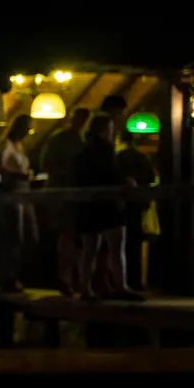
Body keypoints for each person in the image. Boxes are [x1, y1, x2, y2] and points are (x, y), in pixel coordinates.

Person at [75, 114, 141, 301]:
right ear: (104, 130)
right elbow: (112, 174)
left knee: (90, 249)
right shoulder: (106, 150)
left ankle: (85, 288)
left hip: (88, 205)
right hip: (108, 204)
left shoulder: (83, 152)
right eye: (110, 128)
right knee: (117, 245)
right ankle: (121, 286)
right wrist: (126, 183)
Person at [39, 107, 91, 295]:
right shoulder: (61, 140)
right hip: (63, 195)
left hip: (79, 196)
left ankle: (74, 279)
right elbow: (47, 164)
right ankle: (65, 279)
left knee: (77, 239)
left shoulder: (84, 141)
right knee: (68, 236)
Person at [0, 114, 37, 292]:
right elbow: (0, 166)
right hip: (13, 190)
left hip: (25, 190)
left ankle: (20, 274)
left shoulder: (21, 146)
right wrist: (16, 175)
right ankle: (8, 276)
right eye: (26, 128)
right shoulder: (7, 144)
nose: (28, 132)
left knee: (30, 233)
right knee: (15, 234)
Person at [116, 133, 157, 291]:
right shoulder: (141, 156)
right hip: (138, 204)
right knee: (135, 244)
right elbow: (152, 177)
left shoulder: (118, 157)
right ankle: (136, 281)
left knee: (120, 246)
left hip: (120, 205)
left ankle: (122, 280)